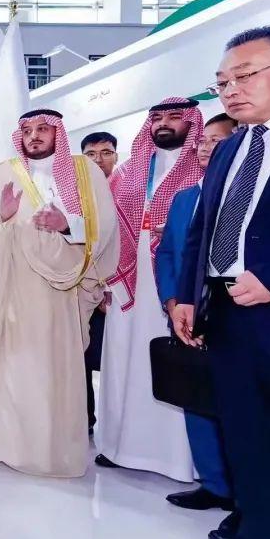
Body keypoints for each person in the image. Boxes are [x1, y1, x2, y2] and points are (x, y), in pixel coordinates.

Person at [0, 108, 118, 477]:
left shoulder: (84, 172)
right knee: (1, 364)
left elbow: (104, 225)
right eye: (27, 130)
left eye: (43, 129)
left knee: (46, 371)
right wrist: (2, 217)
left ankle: (44, 447)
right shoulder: (6, 171)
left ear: (58, 132)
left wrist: (67, 225)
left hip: (58, 294)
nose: (34, 136)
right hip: (9, 287)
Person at [175, 27, 270, 539]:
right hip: (229, 316)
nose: (231, 90)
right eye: (222, 82)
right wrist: (189, 295)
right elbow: (202, 228)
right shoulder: (232, 147)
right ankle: (260, 537)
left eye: (246, 75)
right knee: (248, 435)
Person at [97, 97, 204, 481]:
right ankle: (119, 446)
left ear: (191, 122)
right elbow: (107, 225)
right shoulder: (128, 172)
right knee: (125, 361)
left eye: (174, 117)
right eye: (157, 117)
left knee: (172, 364)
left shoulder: (203, 170)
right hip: (127, 284)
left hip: (176, 285)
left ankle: (178, 460)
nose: (164, 123)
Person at [155, 113, 237, 513]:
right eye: (202, 141)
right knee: (196, 397)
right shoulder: (185, 198)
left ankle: (244, 492)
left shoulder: (243, 194)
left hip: (232, 314)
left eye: (216, 140)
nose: (205, 147)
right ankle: (214, 484)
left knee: (238, 404)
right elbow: (168, 252)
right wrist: (173, 302)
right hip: (187, 315)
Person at [79, 130, 118, 433]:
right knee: (80, 358)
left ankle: (119, 430)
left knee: (116, 363)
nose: (98, 160)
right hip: (81, 290)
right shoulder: (75, 195)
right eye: (90, 155)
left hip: (119, 292)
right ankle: (85, 421)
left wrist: (111, 286)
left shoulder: (126, 189)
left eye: (105, 153)